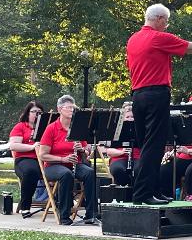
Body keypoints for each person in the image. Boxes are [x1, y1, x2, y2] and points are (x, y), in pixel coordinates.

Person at [126, 3, 192, 205]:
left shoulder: (133, 39)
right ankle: (142, 194)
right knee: (154, 144)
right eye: (166, 21)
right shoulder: (159, 37)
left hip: (137, 95)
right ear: (159, 19)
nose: (167, 26)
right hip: (156, 94)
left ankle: (153, 190)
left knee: (146, 146)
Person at [37, 95, 97, 225]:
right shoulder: (51, 128)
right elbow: (42, 155)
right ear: (60, 109)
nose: (72, 110)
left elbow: (87, 152)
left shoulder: (78, 128)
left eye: (73, 107)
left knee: (90, 173)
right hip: (53, 166)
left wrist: (82, 149)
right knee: (66, 174)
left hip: (74, 163)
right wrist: (63, 159)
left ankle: (91, 214)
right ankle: (64, 215)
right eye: (69, 107)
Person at [9, 101, 45, 217]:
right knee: (31, 171)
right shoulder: (21, 126)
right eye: (34, 111)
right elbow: (13, 145)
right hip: (25, 159)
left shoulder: (47, 127)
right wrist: (32, 146)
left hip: (45, 160)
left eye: (39, 112)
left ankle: (64, 205)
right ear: (27, 113)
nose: (37, 114)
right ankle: (25, 206)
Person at [106, 103, 140, 186]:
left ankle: (137, 194)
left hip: (137, 157)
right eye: (127, 117)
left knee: (139, 170)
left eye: (132, 117)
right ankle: (123, 194)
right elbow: (109, 151)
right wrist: (122, 152)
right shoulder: (116, 131)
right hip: (119, 158)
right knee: (118, 170)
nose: (130, 119)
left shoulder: (140, 130)